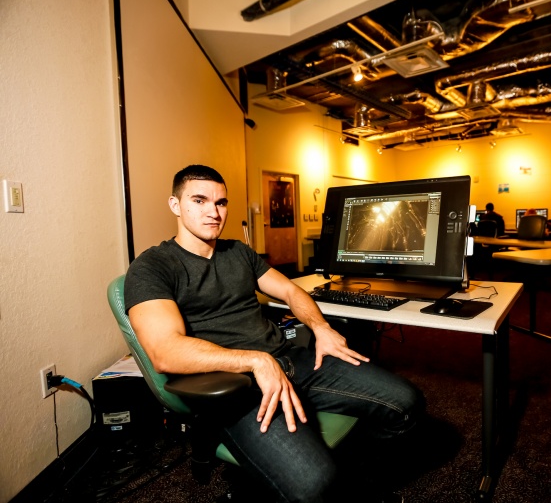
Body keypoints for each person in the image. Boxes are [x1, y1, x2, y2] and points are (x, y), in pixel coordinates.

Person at [124, 165, 424, 503]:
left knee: (406, 404)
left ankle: (358, 481)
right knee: (315, 483)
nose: (213, 211)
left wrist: (321, 328)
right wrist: (255, 361)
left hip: (291, 361)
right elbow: (165, 351)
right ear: (175, 205)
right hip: (235, 388)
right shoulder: (153, 267)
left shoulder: (238, 252)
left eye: (221, 202)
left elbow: (292, 292)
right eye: (199, 200)